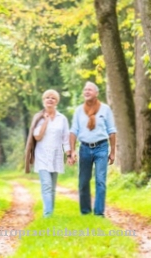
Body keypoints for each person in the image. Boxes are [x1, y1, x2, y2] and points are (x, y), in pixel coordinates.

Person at [69, 81, 117, 217]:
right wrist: (72, 151)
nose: (87, 92)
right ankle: (85, 212)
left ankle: (99, 213)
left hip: (101, 148)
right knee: (83, 181)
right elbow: (73, 131)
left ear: (96, 93)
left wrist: (113, 152)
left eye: (90, 89)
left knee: (100, 180)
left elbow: (112, 131)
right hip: (84, 148)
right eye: (85, 90)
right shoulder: (79, 111)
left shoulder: (105, 109)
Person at [25, 89, 72, 217]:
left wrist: (69, 154)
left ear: (56, 101)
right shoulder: (38, 118)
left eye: (53, 98)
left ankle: (50, 214)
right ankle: (47, 215)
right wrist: (45, 121)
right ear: (43, 101)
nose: (50, 100)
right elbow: (37, 137)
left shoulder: (62, 119)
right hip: (42, 156)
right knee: (46, 185)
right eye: (47, 97)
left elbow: (65, 138)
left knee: (52, 187)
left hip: (56, 156)